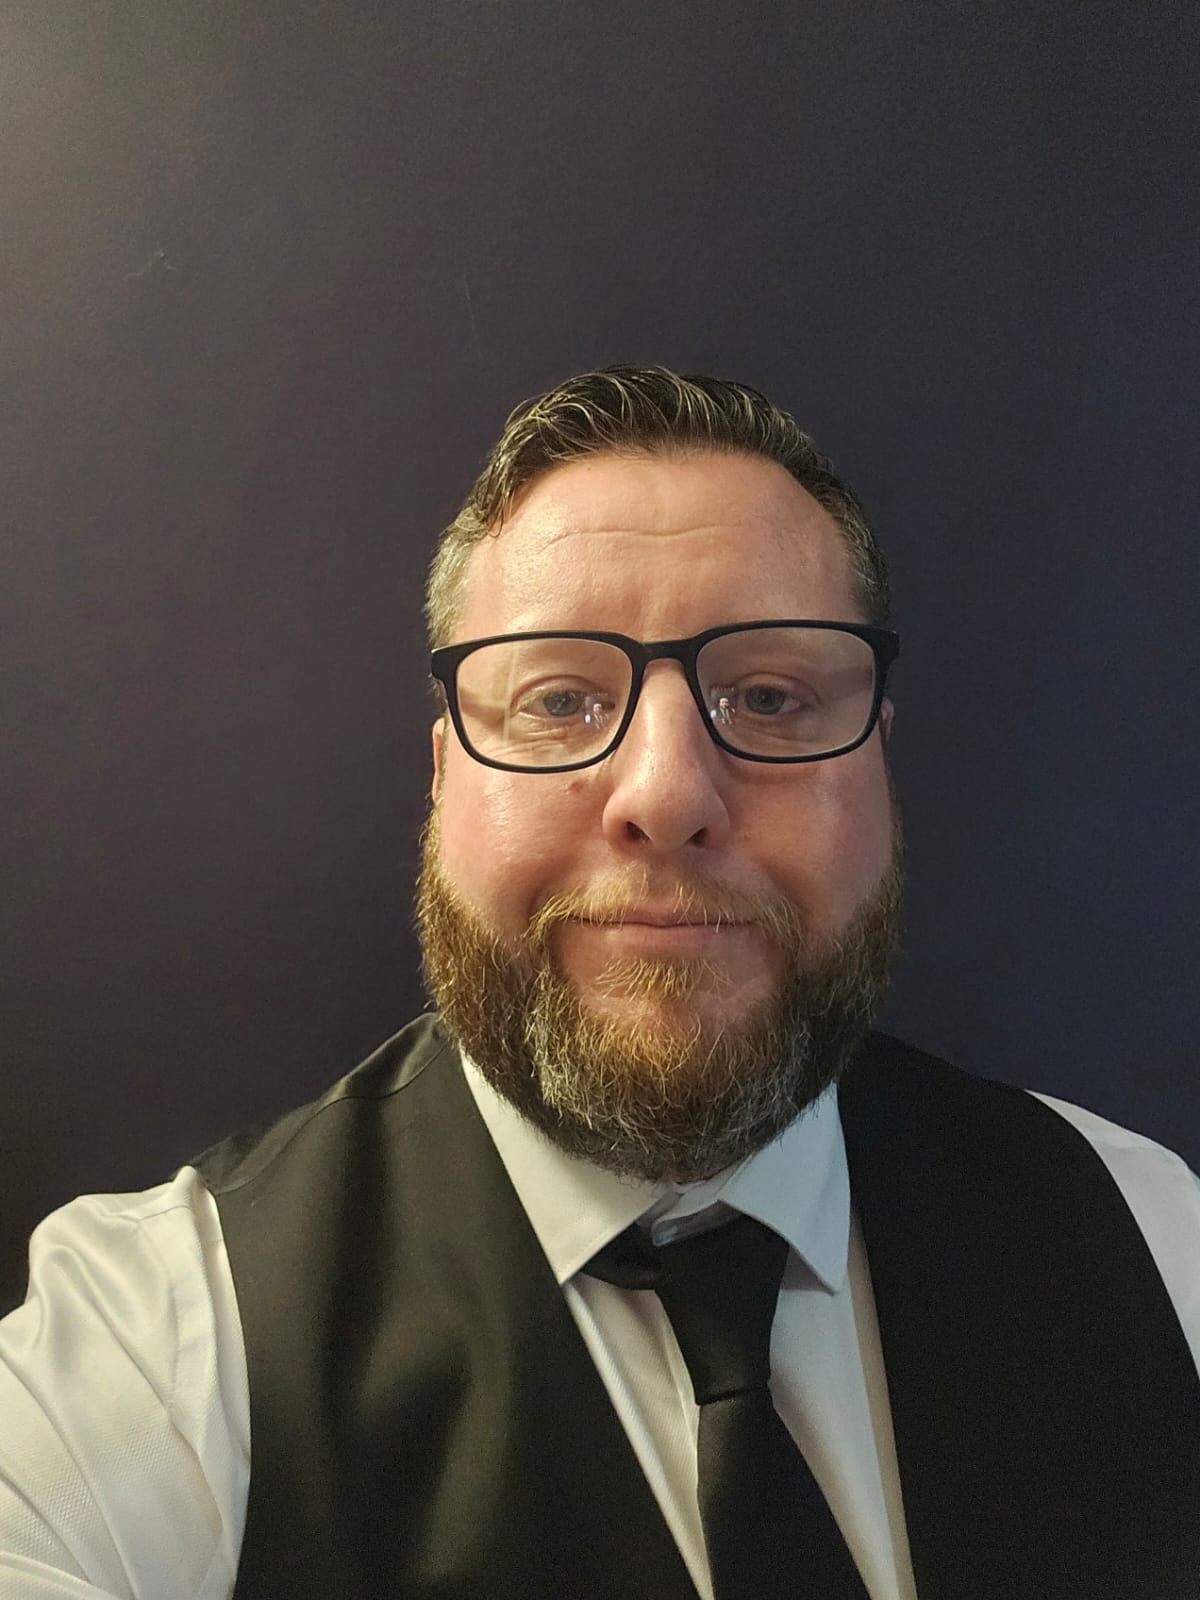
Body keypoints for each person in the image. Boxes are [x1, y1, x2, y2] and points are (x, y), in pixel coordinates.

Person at [2, 366, 1198, 1600]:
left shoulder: (1153, 1239)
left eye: (771, 697)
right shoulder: (162, 1343)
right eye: (560, 700)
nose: (666, 793)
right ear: (443, 776)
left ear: (879, 770)